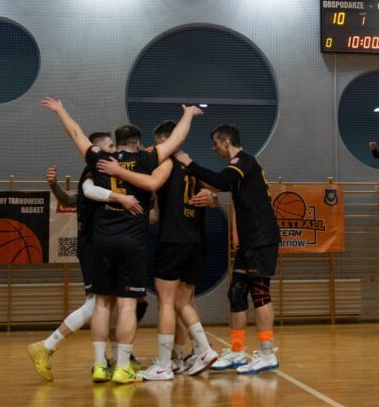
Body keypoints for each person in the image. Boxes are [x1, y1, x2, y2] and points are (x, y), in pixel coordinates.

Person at [42, 97, 202, 383]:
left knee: (102, 304)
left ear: (116, 143)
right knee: (128, 305)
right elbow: (177, 139)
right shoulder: (146, 160)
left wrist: (61, 110)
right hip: (133, 242)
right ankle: (122, 367)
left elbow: (76, 133)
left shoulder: (100, 159)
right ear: (138, 143)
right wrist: (188, 114)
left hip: (102, 241)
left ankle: (99, 365)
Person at [96, 119, 221, 379]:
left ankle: (175, 360)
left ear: (165, 141)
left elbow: (151, 183)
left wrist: (117, 171)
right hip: (195, 240)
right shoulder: (191, 165)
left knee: (168, 300)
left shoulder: (165, 163)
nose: (153, 148)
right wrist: (213, 198)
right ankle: (183, 356)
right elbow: (214, 188)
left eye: (156, 143)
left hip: (174, 238)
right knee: (183, 299)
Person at [26, 136, 152, 382]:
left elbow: (71, 199)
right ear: (97, 150)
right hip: (95, 245)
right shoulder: (94, 171)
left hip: (105, 243)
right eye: (110, 146)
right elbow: (83, 193)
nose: (115, 151)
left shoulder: (111, 174)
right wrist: (119, 197)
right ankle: (47, 345)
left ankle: (118, 359)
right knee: (97, 304)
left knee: (119, 303)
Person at [175, 124, 281, 373]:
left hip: (262, 239)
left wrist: (189, 162)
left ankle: (267, 354)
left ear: (226, 141)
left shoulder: (244, 161)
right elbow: (220, 187)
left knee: (260, 294)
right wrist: (211, 198)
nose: (214, 149)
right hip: (248, 241)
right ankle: (237, 351)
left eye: (215, 143)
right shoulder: (239, 168)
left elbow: (220, 181)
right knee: (236, 294)